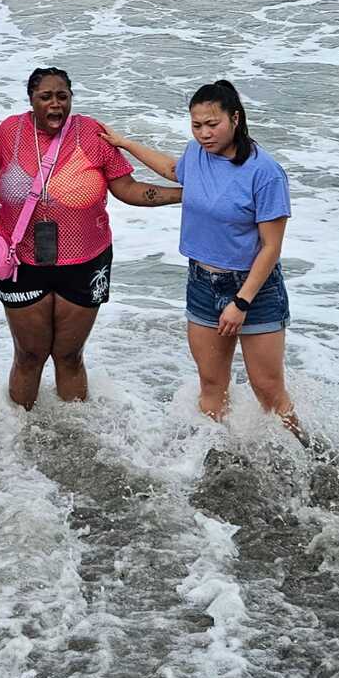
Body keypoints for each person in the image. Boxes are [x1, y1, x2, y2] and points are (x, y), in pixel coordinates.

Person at [0, 66, 182, 410]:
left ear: (71, 99)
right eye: (45, 97)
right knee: (29, 355)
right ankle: (22, 436)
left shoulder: (91, 133)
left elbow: (127, 188)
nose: (55, 104)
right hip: (21, 261)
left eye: (62, 96)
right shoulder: (10, 132)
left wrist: (185, 194)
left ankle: (74, 434)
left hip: (86, 260)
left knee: (69, 355)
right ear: (31, 100)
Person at [99, 79, 303, 439]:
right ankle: (218, 459)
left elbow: (271, 247)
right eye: (197, 125)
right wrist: (125, 144)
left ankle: (308, 455)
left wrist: (241, 302)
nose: (205, 133)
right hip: (202, 285)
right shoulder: (196, 154)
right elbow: (172, 170)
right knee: (211, 385)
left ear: (235, 119)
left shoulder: (265, 173)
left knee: (267, 389)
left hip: (254, 290)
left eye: (213, 124)